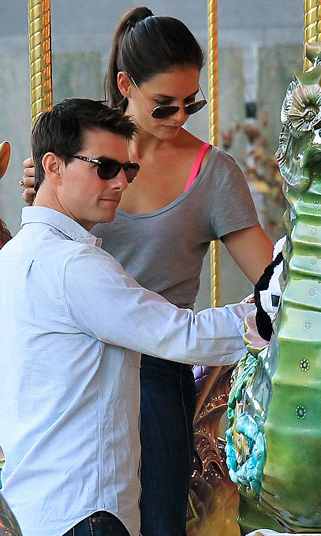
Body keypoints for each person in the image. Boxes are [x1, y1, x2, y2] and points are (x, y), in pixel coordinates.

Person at [21, 7, 274, 536]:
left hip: (158, 358)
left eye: (191, 103)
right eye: (164, 104)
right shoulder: (79, 156)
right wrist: (46, 188)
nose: (180, 115)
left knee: (157, 519)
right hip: (75, 355)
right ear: (125, 86)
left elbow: (268, 274)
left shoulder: (213, 174)